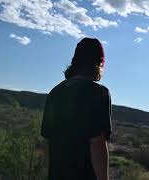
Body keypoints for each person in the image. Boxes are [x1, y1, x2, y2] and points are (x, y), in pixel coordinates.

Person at [41, 37, 112, 180]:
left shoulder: (55, 92)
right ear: (98, 63)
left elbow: (46, 142)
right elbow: (97, 142)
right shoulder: (99, 93)